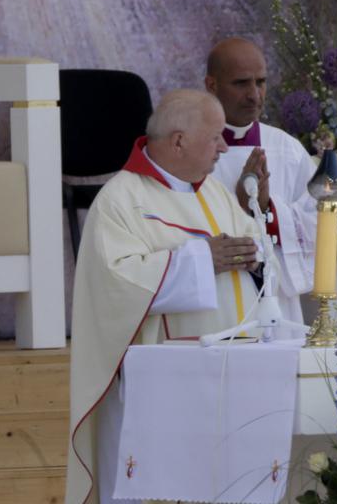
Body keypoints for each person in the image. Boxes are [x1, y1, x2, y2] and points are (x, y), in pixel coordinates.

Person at [66, 90, 263, 504]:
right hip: (163, 385)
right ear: (178, 141)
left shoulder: (212, 192)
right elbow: (115, 284)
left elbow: (251, 241)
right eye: (215, 138)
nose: (225, 147)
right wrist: (198, 258)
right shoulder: (121, 200)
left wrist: (255, 252)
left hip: (231, 373)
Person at [204, 37, 318, 324]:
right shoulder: (188, 148)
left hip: (275, 304)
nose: (255, 95)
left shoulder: (286, 149)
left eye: (261, 82)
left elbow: (320, 222)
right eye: (241, 83)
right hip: (212, 303)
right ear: (211, 85)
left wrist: (268, 210)